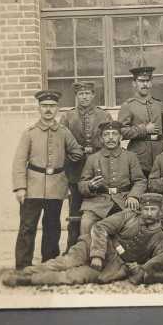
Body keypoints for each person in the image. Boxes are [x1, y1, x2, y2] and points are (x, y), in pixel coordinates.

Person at [2, 193, 163, 287]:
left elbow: (155, 266)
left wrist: (137, 267)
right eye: (145, 209)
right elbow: (100, 227)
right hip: (93, 245)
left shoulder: (160, 238)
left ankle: (27, 280)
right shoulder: (127, 215)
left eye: (153, 209)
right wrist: (97, 254)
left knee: (73, 277)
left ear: (160, 212)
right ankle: (25, 272)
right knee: (65, 262)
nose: (148, 213)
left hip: (113, 265)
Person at [11, 90, 84, 270]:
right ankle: (23, 266)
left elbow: (77, 153)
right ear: (39, 108)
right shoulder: (29, 133)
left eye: (52, 106)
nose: (48, 110)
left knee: (52, 227)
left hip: (56, 188)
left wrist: (62, 165)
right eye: (45, 106)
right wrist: (20, 187)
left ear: (57, 109)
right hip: (32, 187)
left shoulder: (63, 132)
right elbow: (19, 162)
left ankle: (49, 264)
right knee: (27, 227)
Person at [60, 81, 113, 250]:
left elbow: (111, 140)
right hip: (75, 169)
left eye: (87, 94)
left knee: (101, 207)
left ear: (93, 95)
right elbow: (62, 144)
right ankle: (73, 247)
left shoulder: (103, 116)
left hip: (99, 167)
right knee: (75, 210)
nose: (84, 97)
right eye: (81, 94)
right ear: (76, 96)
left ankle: (103, 246)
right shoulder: (68, 117)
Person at [77, 121, 147, 235]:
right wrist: (90, 186)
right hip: (97, 202)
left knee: (132, 224)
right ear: (101, 139)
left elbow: (140, 181)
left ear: (120, 137)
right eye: (106, 134)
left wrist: (134, 196)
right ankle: (87, 250)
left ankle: (125, 252)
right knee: (86, 222)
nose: (110, 138)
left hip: (123, 201)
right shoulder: (93, 158)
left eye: (114, 134)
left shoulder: (130, 157)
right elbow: (81, 184)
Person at [118, 66, 163, 177]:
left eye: (147, 81)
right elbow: (122, 132)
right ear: (134, 83)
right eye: (141, 81)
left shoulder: (159, 105)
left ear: (151, 83)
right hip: (138, 156)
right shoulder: (128, 106)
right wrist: (143, 129)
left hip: (158, 153)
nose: (145, 84)